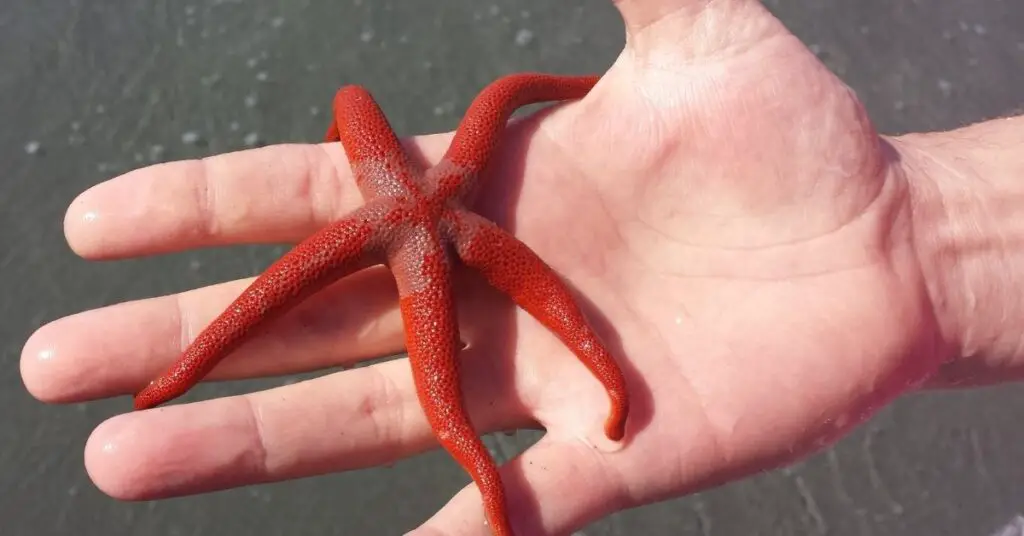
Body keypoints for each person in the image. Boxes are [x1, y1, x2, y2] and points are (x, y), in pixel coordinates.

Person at [20, 0, 1023, 534]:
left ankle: (177, 375)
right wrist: (923, 233)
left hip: (419, 219)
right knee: (276, 316)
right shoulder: (440, 198)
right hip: (425, 219)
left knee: (302, 331)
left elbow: (361, 98)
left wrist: (917, 233)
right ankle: (175, 376)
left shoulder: (423, 201)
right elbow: (479, 99)